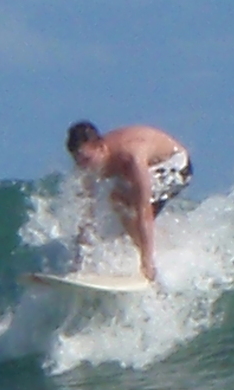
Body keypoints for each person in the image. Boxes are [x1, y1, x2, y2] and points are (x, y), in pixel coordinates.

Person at [66, 120, 191, 284]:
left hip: (176, 165)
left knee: (124, 201)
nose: (84, 167)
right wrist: (79, 260)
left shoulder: (132, 155)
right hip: (153, 167)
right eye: (78, 161)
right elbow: (87, 213)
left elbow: (143, 210)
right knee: (118, 201)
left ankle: (150, 261)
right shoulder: (88, 165)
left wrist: (146, 262)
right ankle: (164, 246)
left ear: (102, 148)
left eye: (87, 160)